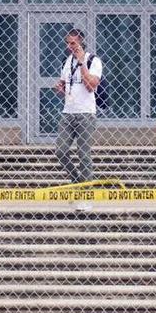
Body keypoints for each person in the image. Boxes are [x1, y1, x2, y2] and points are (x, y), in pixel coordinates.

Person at [54, 29, 103, 211]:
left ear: (81, 43)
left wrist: (82, 63)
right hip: (68, 112)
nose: (69, 46)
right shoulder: (67, 62)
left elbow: (90, 86)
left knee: (84, 155)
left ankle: (86, 196)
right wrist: (60, 87)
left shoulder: (93, 61)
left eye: (73, 43)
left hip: (86, 113)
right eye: (68, 42)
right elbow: (66, 85)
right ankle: (77, 181)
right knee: (60, 150)